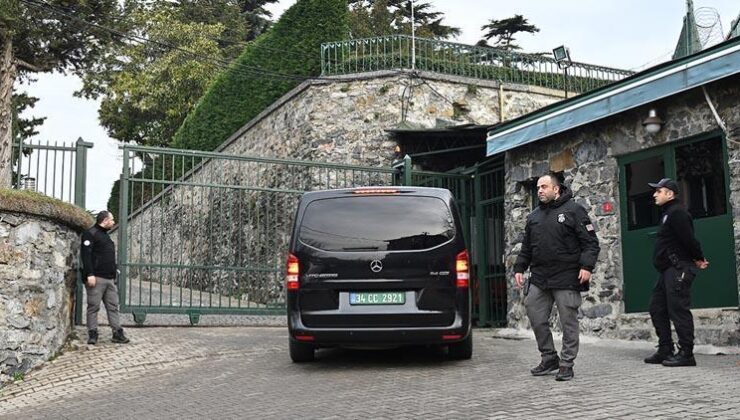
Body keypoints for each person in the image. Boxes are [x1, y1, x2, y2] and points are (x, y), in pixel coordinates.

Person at [513, 174, 600, 381]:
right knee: (535, 315)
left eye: (544, 187)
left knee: (568, 321)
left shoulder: (574, 210)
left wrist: (587, 266)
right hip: (540, 277)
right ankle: (549, 357)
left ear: (556, 189)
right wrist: (519, 267)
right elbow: (527, 247)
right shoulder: (533, 217)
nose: (540, 190)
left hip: (567, 276)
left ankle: (566, 363)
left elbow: (590, 243)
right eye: (538, 188)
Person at [644, 178, 708, 367]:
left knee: (678, 310)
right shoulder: (667, 213)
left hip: (678, 268)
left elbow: (689, 239)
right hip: (667, 271)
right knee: (657, 308)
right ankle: (665, 348)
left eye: (658, 191)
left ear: (669, 194)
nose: (654, 194)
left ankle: (686, 353)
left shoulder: (677, 213)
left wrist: (699, 258)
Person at [80, 211, 130, 345]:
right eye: (112, 220)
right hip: (96, 278)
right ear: (105, 220)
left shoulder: (105, 236)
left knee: (113, 306)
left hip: (109, 279)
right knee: (93, 307)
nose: (113, 223)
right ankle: (92, 334)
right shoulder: (90, 233)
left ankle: (117, 333)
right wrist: (90, 274)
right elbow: (86, 255)